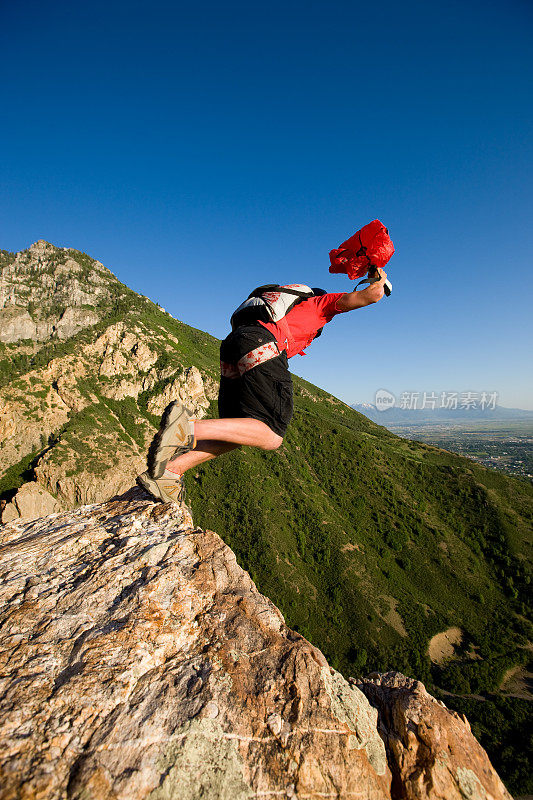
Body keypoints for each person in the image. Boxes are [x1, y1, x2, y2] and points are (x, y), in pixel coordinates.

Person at [137, 269, 388, 503]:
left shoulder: (277, 310)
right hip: (261, 343)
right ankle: (184, 428)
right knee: (271, 434)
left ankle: (170, 472)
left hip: (234, 346)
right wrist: (378, 273)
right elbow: (373, 294)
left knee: (237, 433)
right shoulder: (320, 303)